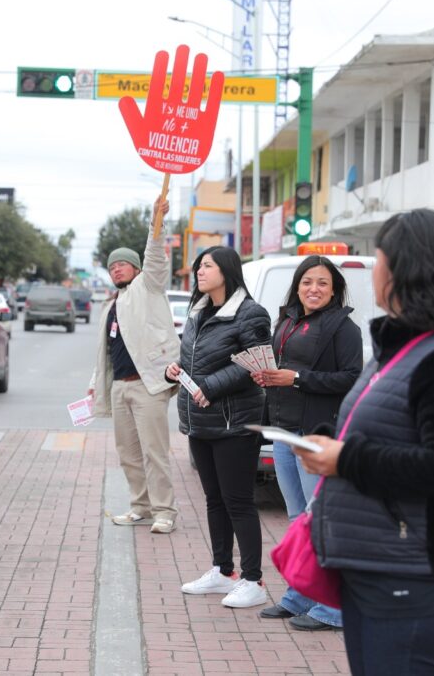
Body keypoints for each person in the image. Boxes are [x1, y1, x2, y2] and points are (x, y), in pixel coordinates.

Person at [299, 209, 434, 675]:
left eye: (378, 261)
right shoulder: (400, 349)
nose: (373, 273)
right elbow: (383, 429)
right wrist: (328, 443)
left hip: (419, 575)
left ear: (403, 271)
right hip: (379, 568)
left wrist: (345, 458)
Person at [252, 255, 363, 631]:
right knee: (299, 520)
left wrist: (296, 378)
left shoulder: (343, 328)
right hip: (284, 432)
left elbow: (349, 378)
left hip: (316, 434)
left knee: (321, 521)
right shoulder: (285, 322)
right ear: (297, 286)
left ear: (334, 290)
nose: (313, 289)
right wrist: (267, 378)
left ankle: (333, 608)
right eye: (307, 282)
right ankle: (300, 595)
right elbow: (278, 371)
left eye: (322, 283)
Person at [164, 246, 272, 609]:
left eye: (207, 265)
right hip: (201, 421)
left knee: (239, 501)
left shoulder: (250, 313)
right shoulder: (198, 311)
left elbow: (254, 363)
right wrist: (175, 371)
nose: (199, 271)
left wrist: (211, 385)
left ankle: (253, 579)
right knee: (214, 500)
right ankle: (222, 571)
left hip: (236, 421)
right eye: (198, 266)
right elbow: (192, 357)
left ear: (227, 269)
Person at [88, 198, 180, 534]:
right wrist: (96, 381)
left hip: (148, 385)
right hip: (120, 387)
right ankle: (140, 506)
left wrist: (156, 222)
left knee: (155, 453)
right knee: (128, 453)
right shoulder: (111, 305)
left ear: (137, 268)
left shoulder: (148, 286)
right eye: (112, 267)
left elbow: (156, 255)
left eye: (123, 265)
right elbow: (107, 351)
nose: (116, 270)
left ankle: (164, 511)